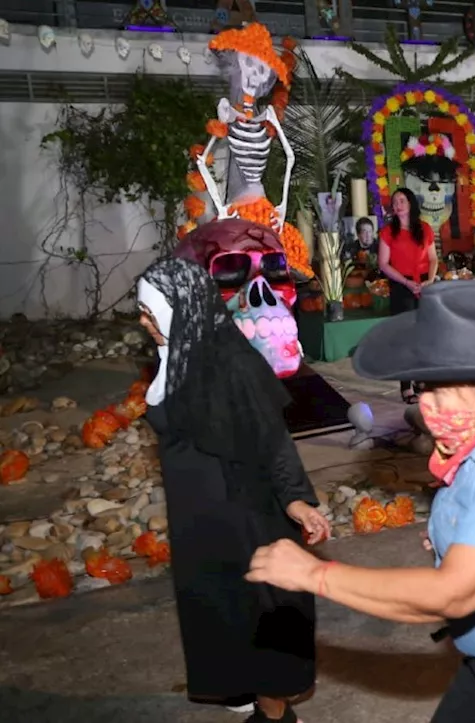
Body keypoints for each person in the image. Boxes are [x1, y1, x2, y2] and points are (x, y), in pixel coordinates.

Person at [248, 281, 475, 722]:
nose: (426, 406)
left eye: (441, 387)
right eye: (423, 385)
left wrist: (314, 573)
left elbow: (454, 593)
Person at [137, 255, 331, 723]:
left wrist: (297, 499)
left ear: (181, 309)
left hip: (241, 511)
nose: (143, 323)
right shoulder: (176, 356)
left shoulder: (233, 366)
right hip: (198, 516)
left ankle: (274, 711)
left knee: (260, 607)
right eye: (142, 313)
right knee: (214, 604)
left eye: (149, 311)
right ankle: (237, 683)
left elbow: (273, 441)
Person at [378, 187, 438, 403]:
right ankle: (406, 386)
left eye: (402, 200)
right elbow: (383, 264)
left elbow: (433, 258)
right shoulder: (387, 232)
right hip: (401, 284)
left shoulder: (424, 229)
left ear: (411, 203)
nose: (397, 204)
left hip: (424, 284)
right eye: (394, 201)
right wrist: (406, 282)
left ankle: (421, 379)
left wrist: (429, 280)